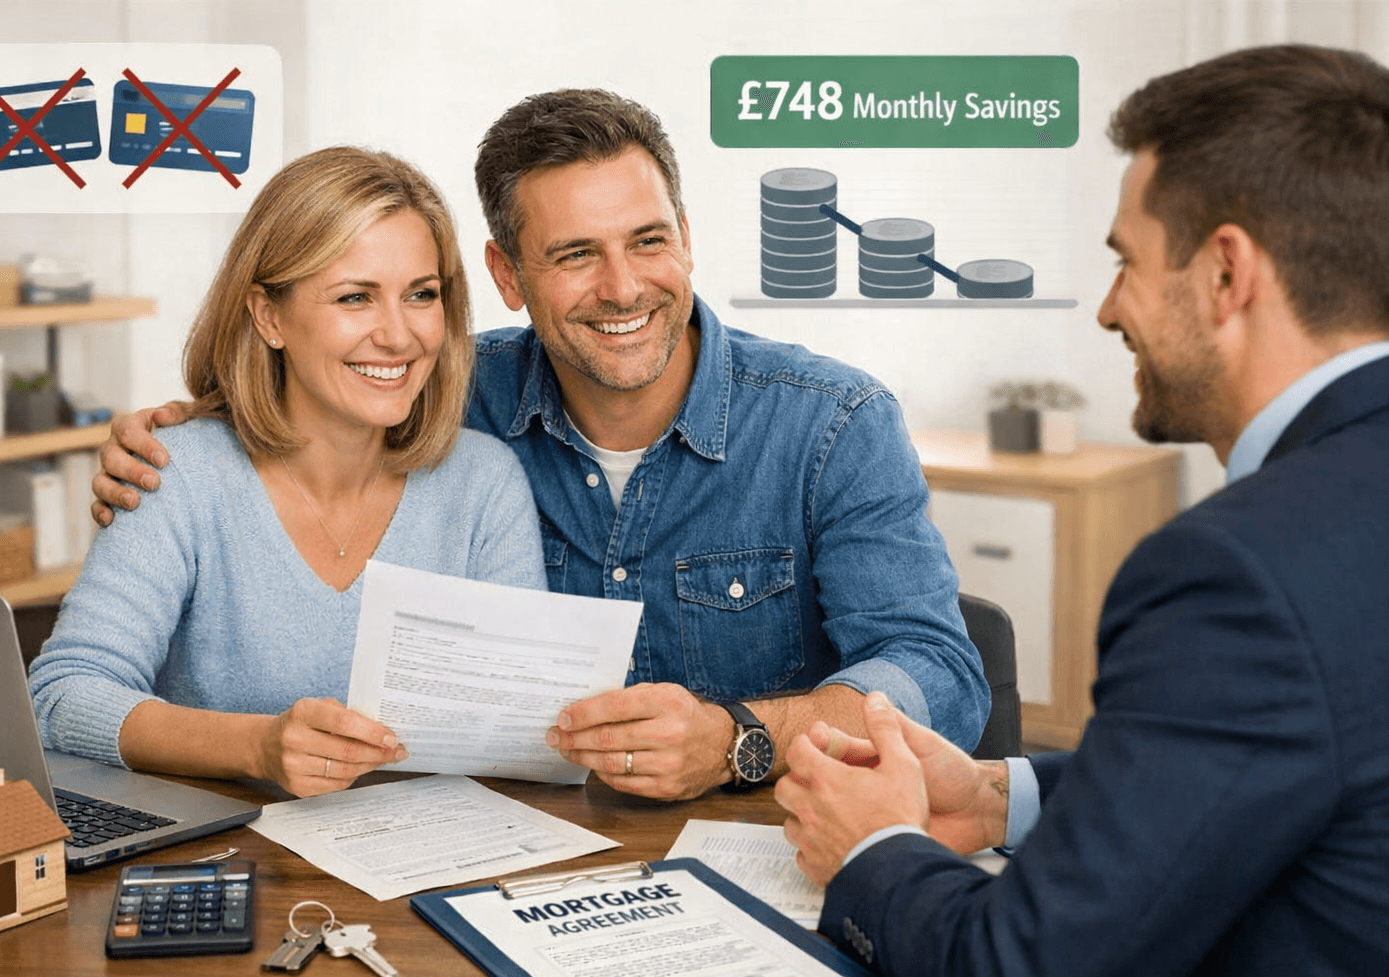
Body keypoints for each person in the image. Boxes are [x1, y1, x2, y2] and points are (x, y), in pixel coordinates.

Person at [90, 90, 991, 802]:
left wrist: (739, 738)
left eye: (649, 241)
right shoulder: (449, 394)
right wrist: (194, 425)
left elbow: (941, 677)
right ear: (507, 275)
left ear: (686, 241)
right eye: (575, 255)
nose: (623, 287)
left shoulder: (832, 424)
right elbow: (328, 380)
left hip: (771, 832)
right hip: (531, 846)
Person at [776, 44, 1389, 977]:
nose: (1108, 310)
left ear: (1226, 271)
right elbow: (1286, 761)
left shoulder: (1238, 571)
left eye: (1125, 262)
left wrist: (873, 848)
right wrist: (998, 797)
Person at [29, 148, 547, 798]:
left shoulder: (485, 483)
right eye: (355, 297)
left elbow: (521, 728)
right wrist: (257, 747)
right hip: (230, 850)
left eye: (422, 295)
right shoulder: (176, 473)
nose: (398, 335)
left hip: (433, 849)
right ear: (269, 316)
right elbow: (63, 695)